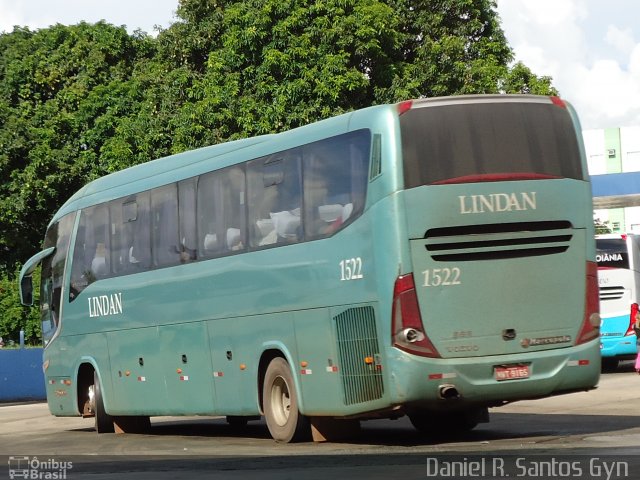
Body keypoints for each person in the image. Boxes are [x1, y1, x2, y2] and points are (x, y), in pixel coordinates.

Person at [634, 309, 640, 374]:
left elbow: (635, 333)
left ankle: (638, 367)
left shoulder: (635, 325)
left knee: (639, 355)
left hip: (638, 340)